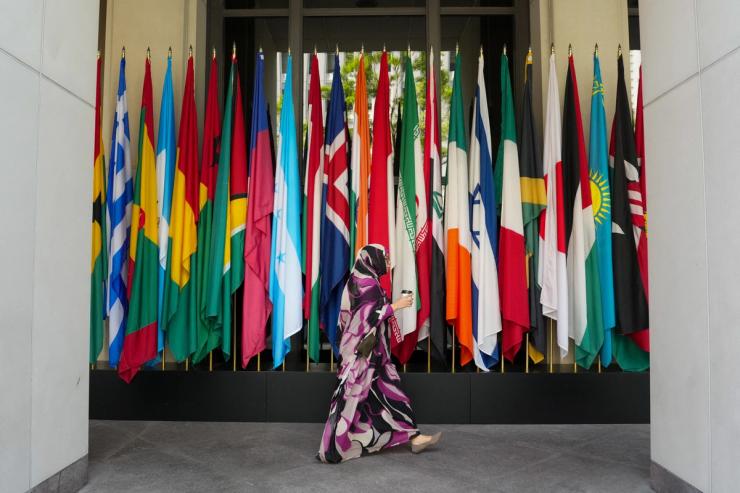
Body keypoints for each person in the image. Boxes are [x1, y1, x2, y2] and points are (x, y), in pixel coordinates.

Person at [318, 244, 441, 463]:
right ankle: (334, 447)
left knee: (390, 395)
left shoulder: (361, 279)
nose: (387, 262)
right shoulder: (366, 284)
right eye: (383, 257)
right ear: (372, 259)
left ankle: (415, 437)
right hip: (363, 357)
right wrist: (398, 305)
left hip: (374, 355)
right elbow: (367, 317)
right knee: (353, 399)